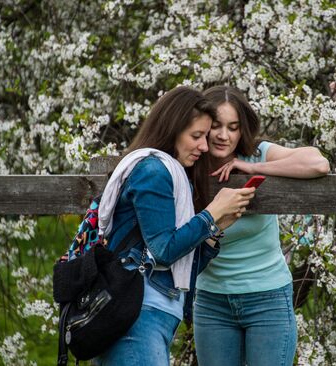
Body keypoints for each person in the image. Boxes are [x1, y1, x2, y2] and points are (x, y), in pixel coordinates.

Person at [95, 86, 255, 365]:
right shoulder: (153, 171)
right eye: (196, 136)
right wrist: (210, 213)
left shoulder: (172, 173)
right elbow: (163, 251)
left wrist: (214, 228)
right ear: (172, 129)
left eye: (205, 136)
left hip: (153, 315)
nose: (205, 146)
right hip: (138, 316)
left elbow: (182, 260)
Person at [193, 85, 330, 366]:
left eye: (233, 127)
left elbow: (317, 163)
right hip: (212, 300)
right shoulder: (191, 158)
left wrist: (252, 168)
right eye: (216, 126)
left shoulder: (258, 153)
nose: (223, 135)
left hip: (267, 298)